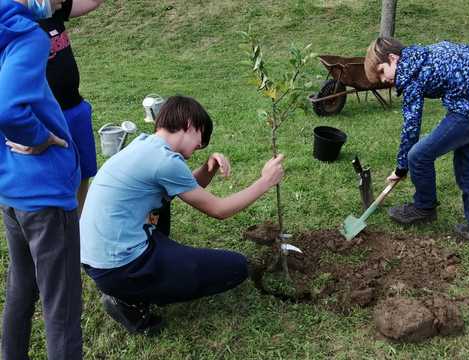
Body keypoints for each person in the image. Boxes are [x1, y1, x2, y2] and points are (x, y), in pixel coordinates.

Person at [80, 95, 285, 335]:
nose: (199, 147)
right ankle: (127, 300)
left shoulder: (145, 146)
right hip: (120, 267)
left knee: (163, 204)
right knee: (236, 266)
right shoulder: (164, 162)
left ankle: (135, 282)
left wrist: (209, 168)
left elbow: (186, 188)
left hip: (97, 257)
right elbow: (218, 210)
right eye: (200, 140)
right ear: (189, 124)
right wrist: (265, 182)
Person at [364, 37, 469, 252]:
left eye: (382, 71)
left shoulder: (411, 76)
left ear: (393, 58)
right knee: (466, 165)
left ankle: (424, 208)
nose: (383, 80)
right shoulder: (431, 50)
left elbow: (411, 128)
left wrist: (401, 168)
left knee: (418, 155)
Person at [0, 0, 83, 359]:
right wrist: (39, 136)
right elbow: (7, 107)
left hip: (10, 188)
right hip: (44, 194)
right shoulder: (28, 37)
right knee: (61, 310)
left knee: (21, 287)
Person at [38, 0, 103, 214]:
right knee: (55, 180)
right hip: (45, 117)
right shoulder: (14, 20)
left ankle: (79, 225)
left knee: (83, 171)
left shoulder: (53, 9)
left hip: (75, 107)